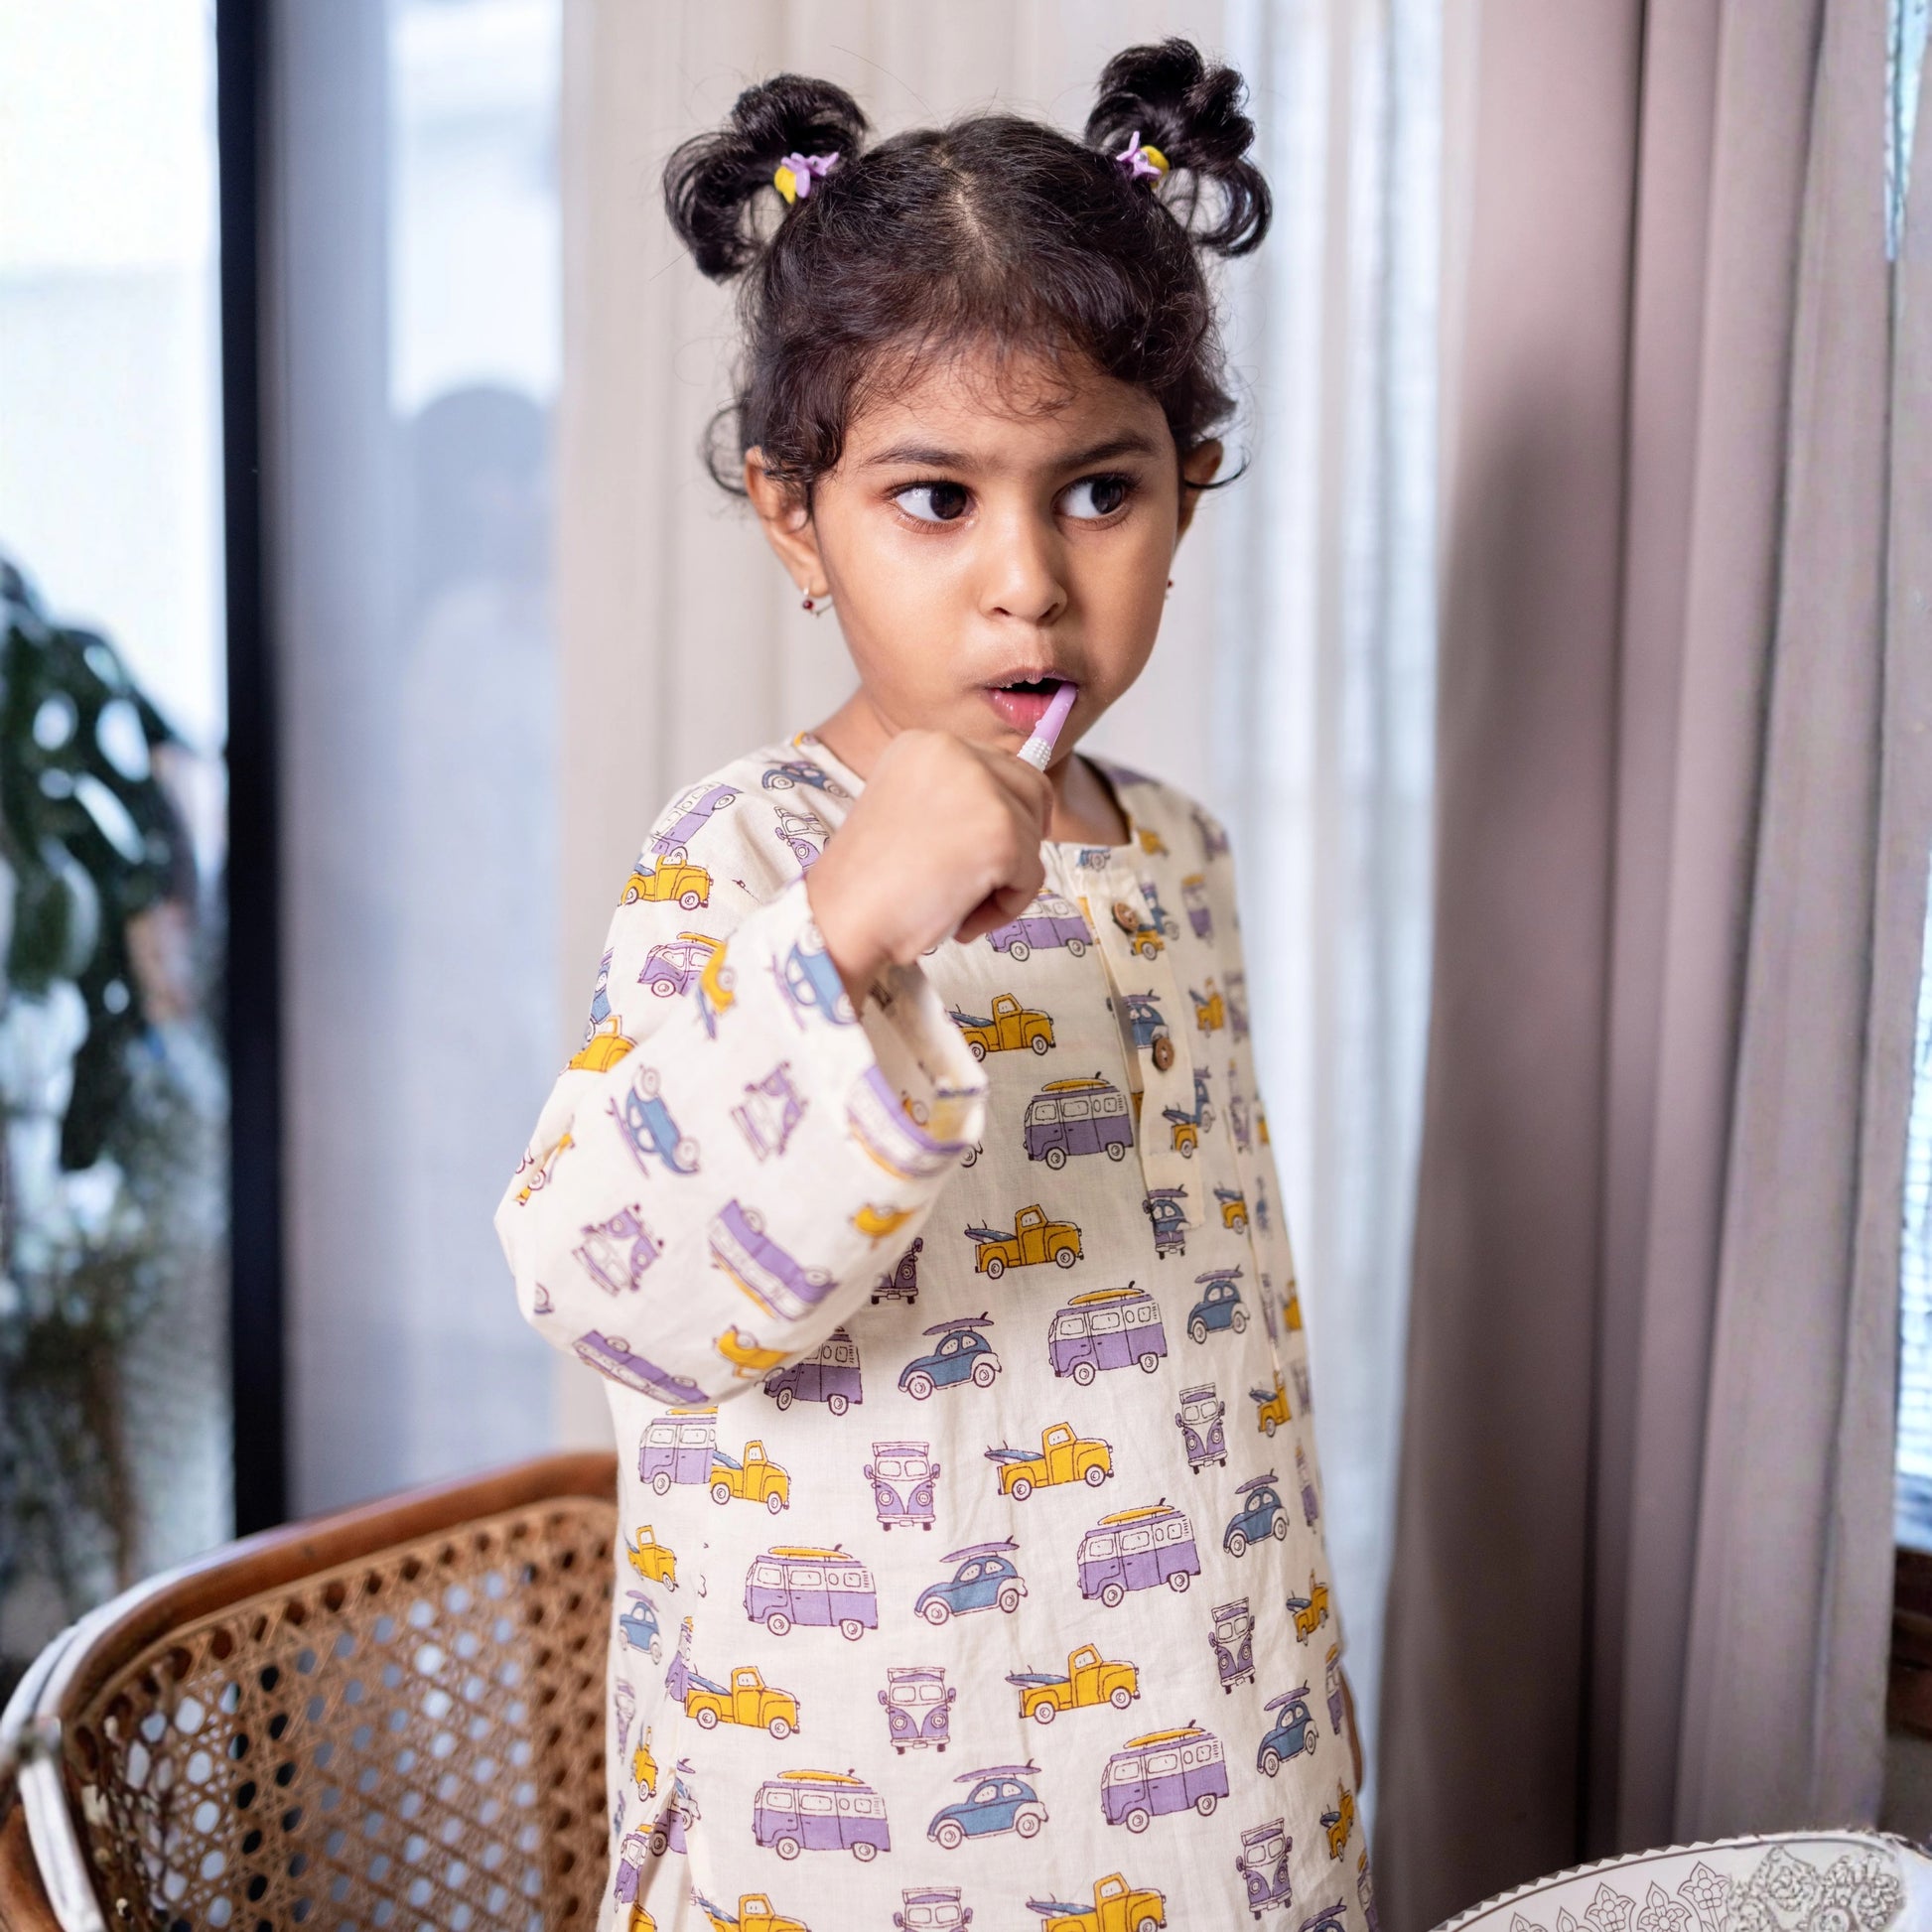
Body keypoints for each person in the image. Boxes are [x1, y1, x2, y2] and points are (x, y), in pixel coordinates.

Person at [497, 41, 1367, 1930]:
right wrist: (841, 928)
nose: (1025, 582)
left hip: (1221, 1788)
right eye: (932, 497)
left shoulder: (1180, 851)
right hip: (859, 1832)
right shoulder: (742, 857)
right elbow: (600, 1279)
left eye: (1098, 491)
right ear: (789, 516)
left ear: (1189, 492)